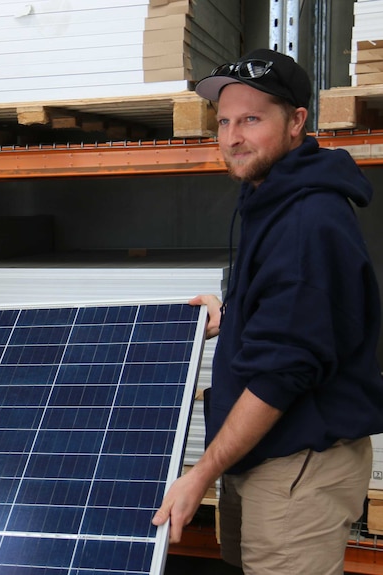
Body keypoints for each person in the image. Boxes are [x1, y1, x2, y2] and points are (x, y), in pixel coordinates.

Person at [152, 49, 383, 574]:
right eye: (225, 121)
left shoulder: (308, 221)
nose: (232, 137)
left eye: (252, 119)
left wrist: (200, 474)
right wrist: (231, 318)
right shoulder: (270, 194)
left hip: (298, 463)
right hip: (264, 456)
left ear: (297, 121)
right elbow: (294, 313)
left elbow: (283, 373)